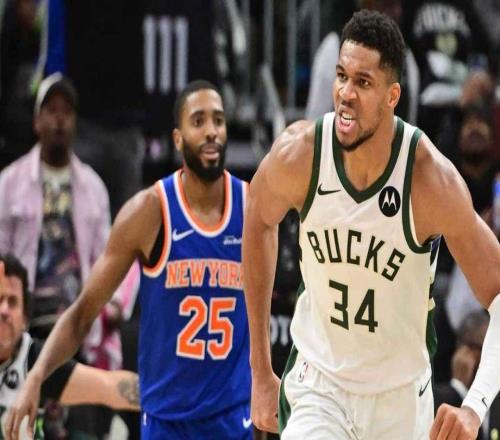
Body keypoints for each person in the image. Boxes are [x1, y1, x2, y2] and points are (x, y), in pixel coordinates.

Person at [242, 10, 500, 440]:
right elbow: (257, 219)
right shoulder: (301, 154)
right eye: (342, 76)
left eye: (363, 83)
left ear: (392, 95)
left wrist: (475, 407)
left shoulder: (429, 180)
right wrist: (260, 370)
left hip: (399, 401)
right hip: (319, 387)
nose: (346, 93)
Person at [5, 80, 252, 440]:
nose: (211, 130)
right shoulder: (148, 211)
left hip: (233, 419)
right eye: (198, 121)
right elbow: (82, 313)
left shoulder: (252, 206)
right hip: (168, 423)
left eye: (218, 120)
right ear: (178, 138)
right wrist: (36, 377)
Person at [0, 253, 139, 440]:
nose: (4, 310)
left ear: (25, 318)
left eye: (12, 302)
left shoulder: (35, 360)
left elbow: (109, 387)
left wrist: (171, 391)